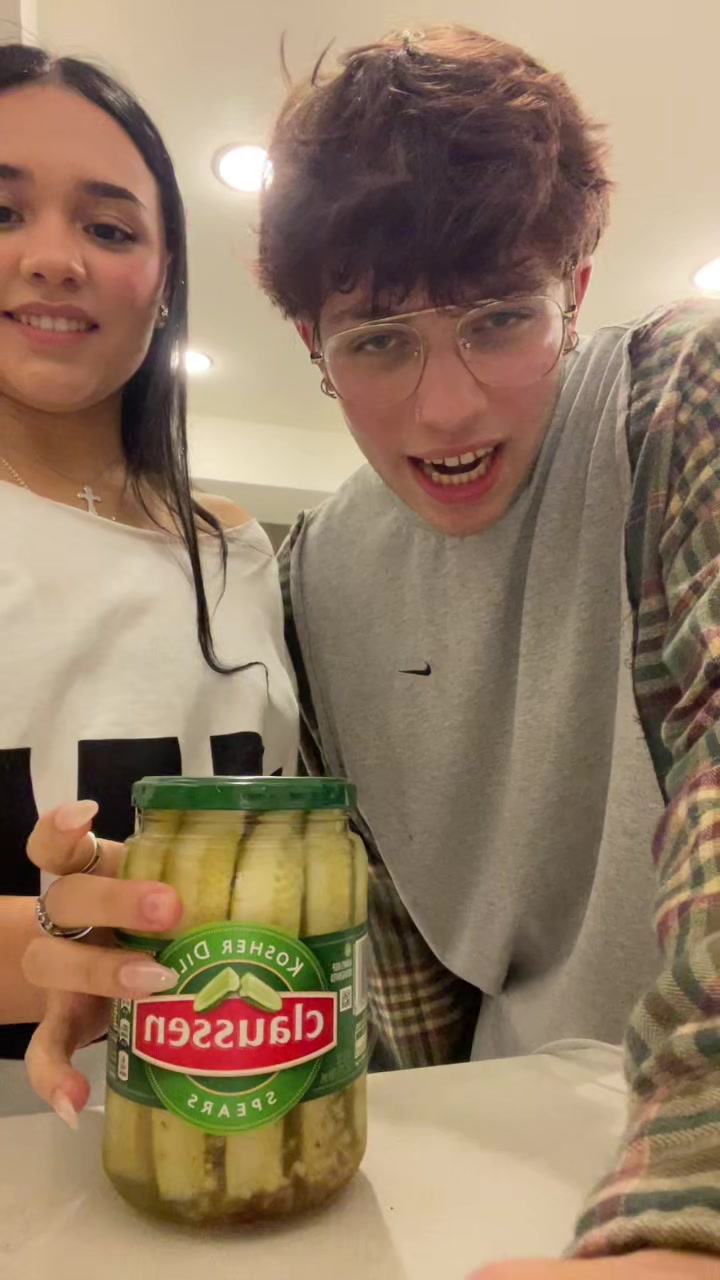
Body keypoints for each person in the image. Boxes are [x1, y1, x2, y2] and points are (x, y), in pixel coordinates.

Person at [257, 24, 720, 1277]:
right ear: (310, 343)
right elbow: (401, 948)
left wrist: (690, 1204)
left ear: (576, 288)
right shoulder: (311, 575)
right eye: (378, 340)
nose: (448, 405)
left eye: (502, 319)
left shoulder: (684, 395)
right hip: (478, 1157)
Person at [0, 44, 297, 1114]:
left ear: (165, 278)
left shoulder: (239, 550)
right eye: (4, 212)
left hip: (252, 1103)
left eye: (110, 228)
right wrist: (62, 943)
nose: (53, 259)